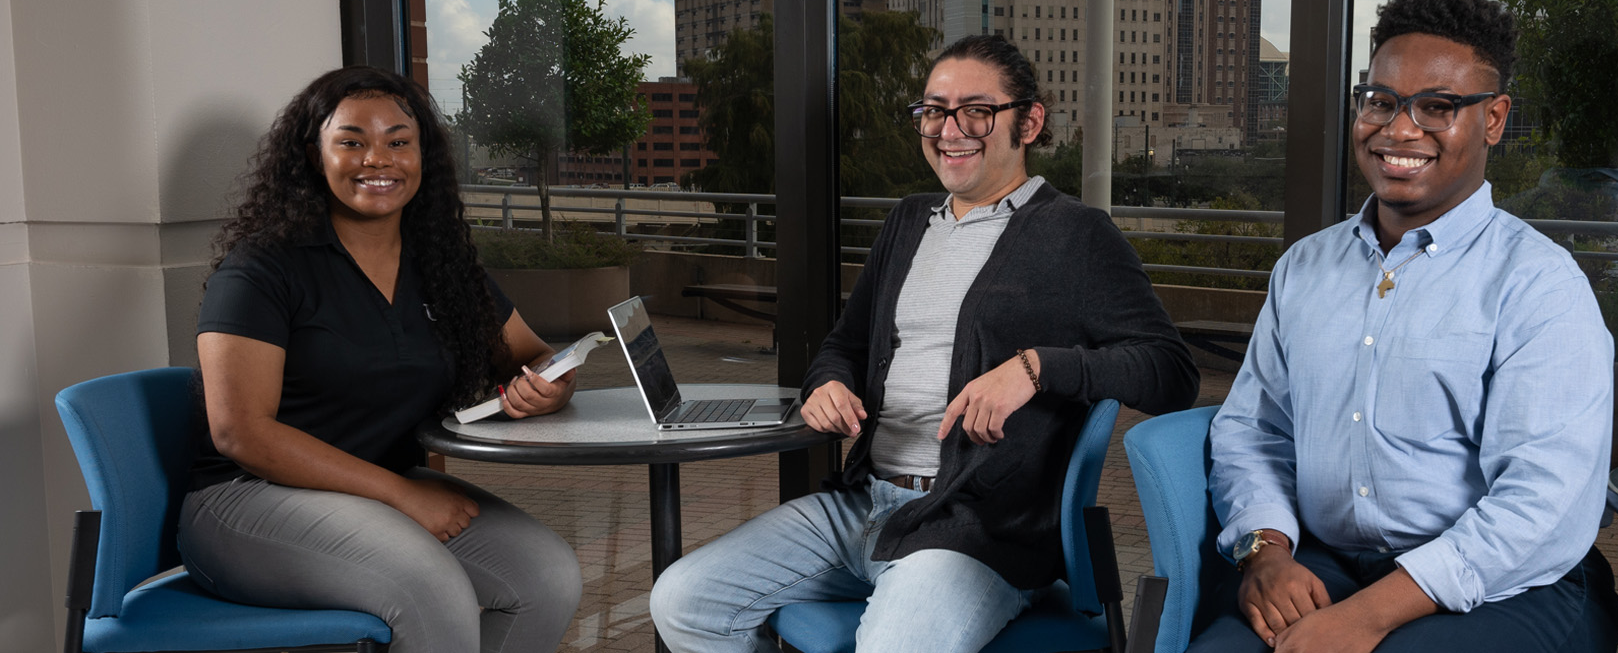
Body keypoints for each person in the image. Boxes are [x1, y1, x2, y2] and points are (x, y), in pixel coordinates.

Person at [651, 34, 1199, 652]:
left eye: (976, 110)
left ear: (1030, 121)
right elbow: (846, 343)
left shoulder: (1078, 236)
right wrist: (827, 382)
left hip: (979, 524)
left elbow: (1170, 373)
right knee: (684, 600)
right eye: (934, 110)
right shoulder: (909, 221)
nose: (948, 130)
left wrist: (1037, 367)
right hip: (864, 506)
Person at [1196, 0, 1618, 653]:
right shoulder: (1304, 269)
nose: (1400, 130)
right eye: (1381, 102)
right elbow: (1255, 432)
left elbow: (1541, 505)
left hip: (1507, 582)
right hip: (1326, 560)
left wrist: (1365, 618)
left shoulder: (1539, 286)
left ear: (1494, 119)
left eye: (1437, 107)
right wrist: (1266, 553)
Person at [179, 66, 583, 653]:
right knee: (432, 589)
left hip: (373, 494)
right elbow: (240, 433)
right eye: (352, 141)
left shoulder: (441, 266)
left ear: (423, 156)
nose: (379, 159)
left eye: (398, 141)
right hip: (246, 500)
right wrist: (402, 495)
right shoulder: (262, 269)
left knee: (547, 576)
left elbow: (536, 355)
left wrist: (553, 387)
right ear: (314, 156)